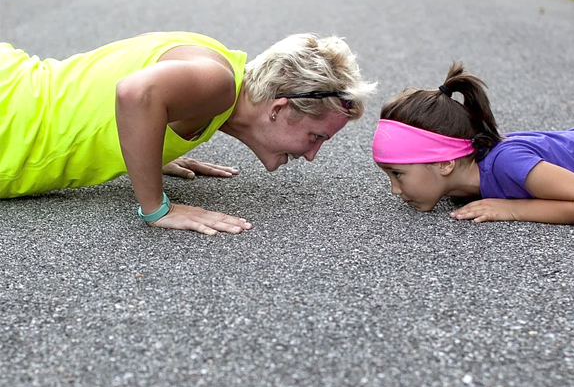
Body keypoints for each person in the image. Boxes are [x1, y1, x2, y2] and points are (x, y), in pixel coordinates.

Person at [1, 31, 376, 235]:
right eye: (316, 137)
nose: (312, 155)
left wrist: (149, 147)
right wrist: (156, 207)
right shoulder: (218, 83)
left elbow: (129, 96)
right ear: (279, 109)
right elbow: (135, 94)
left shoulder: (220, 70)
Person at [372, 61, 574, 224]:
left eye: (398, 174)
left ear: (445, 162)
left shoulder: (507, 162)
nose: (394, 189)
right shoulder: (466, 182)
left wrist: (512, 209)